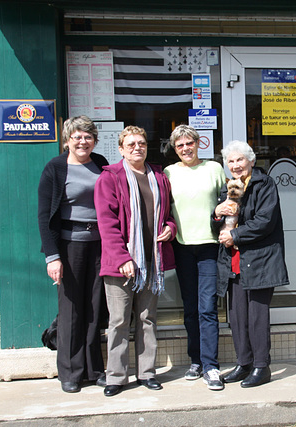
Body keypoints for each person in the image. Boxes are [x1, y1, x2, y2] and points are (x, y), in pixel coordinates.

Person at [94, 126, 177, 397]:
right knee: (119, 321)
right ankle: (116, 377)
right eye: (130, 144)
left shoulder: (159, 177)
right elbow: (106, 223)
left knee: (147, 318)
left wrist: (170, 227)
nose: (137, 148)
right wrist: (122, 258)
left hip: (151, 262)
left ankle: (147, 373)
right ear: (120, 149)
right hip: (121, 263)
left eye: (141, 143)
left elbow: (168, 212)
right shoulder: (110, 177)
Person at [37, 115, 108, 393]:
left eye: (88, 136)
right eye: (77, 136)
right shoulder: (55, 168)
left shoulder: (100, 163)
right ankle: (69, 372)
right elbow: (44, 216)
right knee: (70, 309)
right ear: (67, 140)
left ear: (94, 140)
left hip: (99, 242)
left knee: (94, 306)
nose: (83, 141)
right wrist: (52, 256)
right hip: (68, 245)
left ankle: (93, 369)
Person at [212, 140, 289, 388]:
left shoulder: (264, 184)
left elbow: (265, 221)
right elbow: (219, 225)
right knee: (237, 316)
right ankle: (243, 363)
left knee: (257, 317)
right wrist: (216, 213)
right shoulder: (229, 188)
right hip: (234, 262)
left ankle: (261, 366)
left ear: (251, 162)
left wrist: (234, 236)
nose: (235, 165)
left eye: (240, 160)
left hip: (260, 261)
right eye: (231, 161)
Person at [164, 124, 226, 391]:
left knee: (207, 308)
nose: (185, 148)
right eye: (180, 145)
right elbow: (163, 208)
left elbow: (228, 201)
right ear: (175, 149)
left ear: (199, 144)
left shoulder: (214, 168)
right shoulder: (168, 173)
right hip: (182, 246)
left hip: (209, 246)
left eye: (189, 143)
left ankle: (211, 365)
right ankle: (196, 361)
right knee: (190, 309)